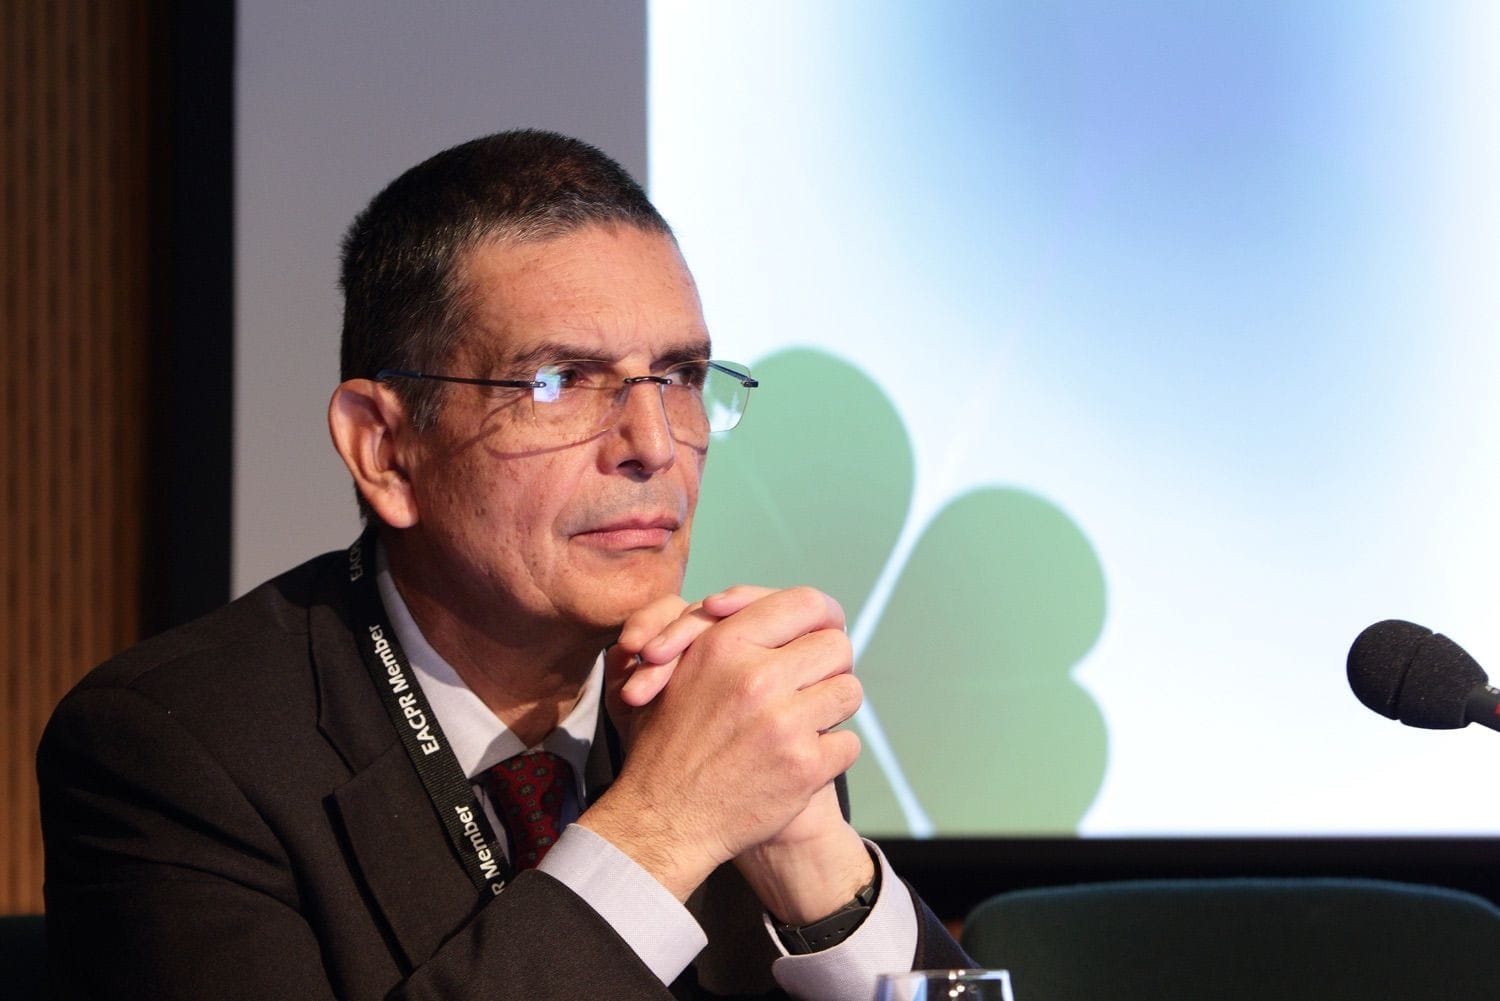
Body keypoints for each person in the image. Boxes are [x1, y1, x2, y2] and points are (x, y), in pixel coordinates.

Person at [38, 130, 969, 999]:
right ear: (384, 450)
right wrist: (661, 829)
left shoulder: (731, 704)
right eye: (559, 382)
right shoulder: (174, 754)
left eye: (680, 377)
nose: (653, 444)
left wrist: (814, 862)